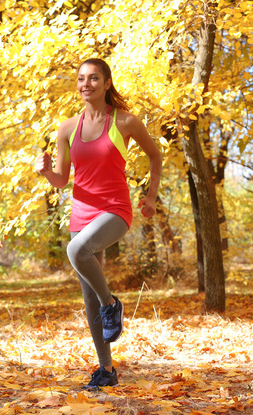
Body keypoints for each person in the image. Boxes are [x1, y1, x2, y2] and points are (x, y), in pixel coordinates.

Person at [35, 58, 162, 390]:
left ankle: (112, 304)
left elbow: (155, 156)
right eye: (81, 79)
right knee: (88, 296)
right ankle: (106, 370)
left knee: (76, 250)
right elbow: (62, 180)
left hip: (115, 210)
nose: (85, 84)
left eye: (93, 78)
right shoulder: (67, 128)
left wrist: (150, 196)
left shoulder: (125, 122)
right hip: (81, 213)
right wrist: (46, 171)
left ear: (107, 83)